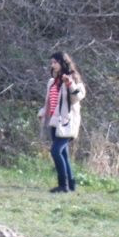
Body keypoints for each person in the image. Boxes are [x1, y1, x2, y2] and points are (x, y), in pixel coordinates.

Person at [38, 52, 86, 193]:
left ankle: (63, 185)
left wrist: (69, 84)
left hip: (67, 123)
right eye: (52, 62)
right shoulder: (52, 82)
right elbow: (49, 103)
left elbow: (78, 97)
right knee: (63, 153)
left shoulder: (73, 79)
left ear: (63, 63)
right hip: (54, 122)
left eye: (55, 62)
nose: (52, 65)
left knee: (55, 151)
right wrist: (42, 113)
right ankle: (70, 185)